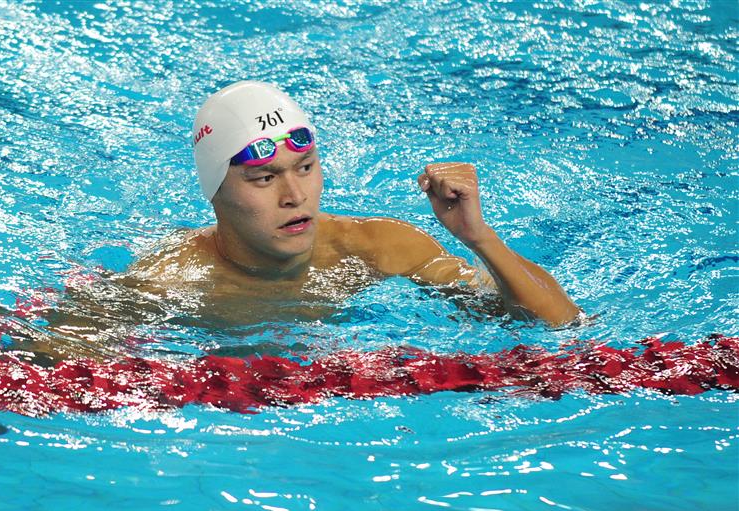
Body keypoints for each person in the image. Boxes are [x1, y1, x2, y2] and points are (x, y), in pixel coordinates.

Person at [119, 80, 580, 329]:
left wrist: (479, 238)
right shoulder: (168, 281)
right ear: (214, 191)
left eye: (305, 168)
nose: (295, 196)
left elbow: (559, 324)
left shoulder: (380, 246)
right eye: (264, 178)